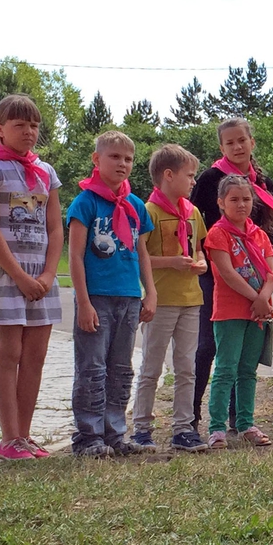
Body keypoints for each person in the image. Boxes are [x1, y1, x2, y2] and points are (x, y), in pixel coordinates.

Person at [0, 94, 63, 460]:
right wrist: (21, 277)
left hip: (41, 275)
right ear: (0, 129)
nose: (28, 132)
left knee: (35, 355)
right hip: (5, 274)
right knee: (9, 352)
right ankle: (8, 437)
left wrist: (48, 273)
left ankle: (25, 435)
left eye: (34, 125)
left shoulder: (46, 172)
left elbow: (55, 228)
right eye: (19, 125)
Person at [65, 130, 155, 457]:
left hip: (129, 297)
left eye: (128, 159)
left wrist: (151, 292)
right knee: (92, 368)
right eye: (114, 157)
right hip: (97, 298)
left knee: (121, 369)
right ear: (96, 159)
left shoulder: (134, 206)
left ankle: (115, 433)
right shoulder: (85, 202)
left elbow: (142, 253)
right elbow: (75, 255)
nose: (122, 164)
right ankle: (88, 437)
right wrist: (84, 301)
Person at [189, 117, 273, 433]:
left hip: (255, 280)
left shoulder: (263, 183)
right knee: (207, 348)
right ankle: (192, 415)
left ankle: (236, 419)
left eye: (242, 140)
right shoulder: (210, 179)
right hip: (218, 274)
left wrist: (261, 287)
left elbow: (269, 230)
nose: (237, 146)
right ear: (222, 147)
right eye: (230, 142)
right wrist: (214, 259)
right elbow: (194, 227)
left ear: (251, 142)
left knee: (243, 353)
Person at [130, 143, 209, 453]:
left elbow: (198, 247)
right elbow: (140, 256)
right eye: (189, 176)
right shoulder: (148, 211)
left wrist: (200, 262)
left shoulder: (193, 212)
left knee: (186, 366)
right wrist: (171, 263)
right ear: (168, 175)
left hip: (191, 298)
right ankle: (142, 428)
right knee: (151, 366)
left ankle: (183, 428)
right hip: (160, 300)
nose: (193, 181)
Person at [203, 174, 273, 449]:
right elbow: (228, 273)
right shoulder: (218, 234)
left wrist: (263, 300)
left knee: (248, 370)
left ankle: (245, 424)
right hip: (231, 311)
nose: (241, 204)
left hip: (258, 312)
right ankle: (217, 428)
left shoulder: (259, 235)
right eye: (234, 199)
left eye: (246, 199)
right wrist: (256, 298)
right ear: (221, 202)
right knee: (225, 369)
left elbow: (271, 273)